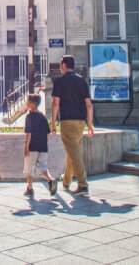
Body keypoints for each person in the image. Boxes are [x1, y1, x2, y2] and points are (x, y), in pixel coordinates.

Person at [50, 55, 94, 195]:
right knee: (72, 151)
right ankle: (67, 181)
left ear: (63, 65)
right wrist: (90, 124)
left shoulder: (59, 81)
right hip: (81, 122)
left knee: (74, 153)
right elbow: (89, 105)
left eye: (60, 65)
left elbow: (55, 103)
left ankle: (82, 184)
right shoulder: (82, 81)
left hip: (67, 121)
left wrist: (53, 123)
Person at [23, 94, 56, 197]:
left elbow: (29, 133)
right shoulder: (42, 116)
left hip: (32, 146)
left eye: (28, 101)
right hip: (43, 147)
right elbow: (47, 132)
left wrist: (26, 146)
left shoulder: (29, 117)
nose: (26, 103)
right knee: (43, 169)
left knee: (29, 168)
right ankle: (51, 180)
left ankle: (29, 188)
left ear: (32, 104)